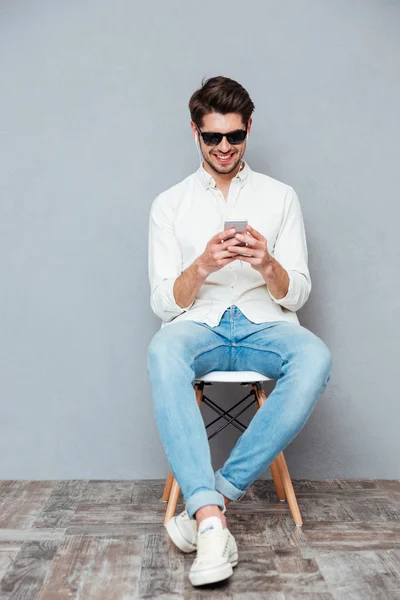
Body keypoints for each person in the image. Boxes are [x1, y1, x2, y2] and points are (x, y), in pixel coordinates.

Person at [147, 76, 332, 587]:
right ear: (195, 133)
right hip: (199, 326)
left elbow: (296, 294)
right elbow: (163, 301)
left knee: (315, 357)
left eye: (234, 136)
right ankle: (210, 521)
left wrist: (268, 263)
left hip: (264, 325)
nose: (224, 148)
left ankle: (211, 507)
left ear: (249, 128)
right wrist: (202, 266)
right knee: (163, 351)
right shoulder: (170, 204)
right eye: (213, 138)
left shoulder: (281, 197)